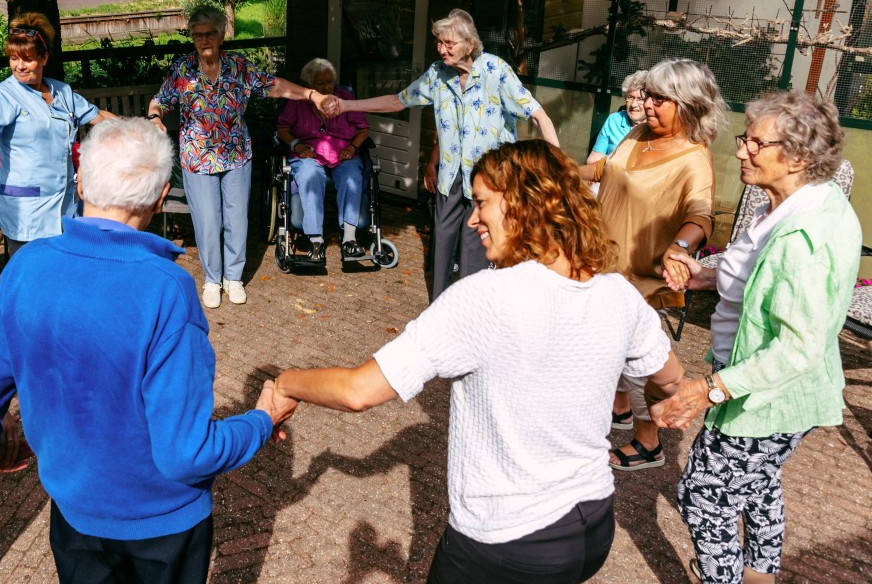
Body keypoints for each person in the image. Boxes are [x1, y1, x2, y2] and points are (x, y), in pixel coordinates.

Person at [272, 140, 684, 584]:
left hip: (507, 542)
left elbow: (359, 392)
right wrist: (659, 402)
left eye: (482, 202)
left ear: (525, 201)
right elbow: (670, 379)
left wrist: (285, 383)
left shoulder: (487, 297)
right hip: (593, 525)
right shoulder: (617, 292)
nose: (472, 219)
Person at [0, 117, 295, 583]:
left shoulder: (25, 266)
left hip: (74, 515)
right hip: (164, 525)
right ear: (160, 197)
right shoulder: (166, 288)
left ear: (79, 181)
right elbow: (186, 453)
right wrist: (261, 420)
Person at [653, 91, 860, 584]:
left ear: (799, 157)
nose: (741, 150)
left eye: (755, 143)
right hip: (776, 392)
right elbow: (760, 273)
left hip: (767, 397)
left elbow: (797, 348)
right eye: (745, 138)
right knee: (758, 484)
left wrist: (707, 390)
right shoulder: (795, 204)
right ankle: (758, 576)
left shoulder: (804, 237)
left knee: (703, 497)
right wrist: (707, 275)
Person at [323, 8, 559, 300]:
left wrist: (558, 167)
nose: (441, 49)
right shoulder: (438, 74)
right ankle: (440, 307)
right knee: (443, 242)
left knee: (474, 249)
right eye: (439, 42)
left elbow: (538, 114)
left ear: (469, 44)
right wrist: (346, 106)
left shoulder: (495, 71)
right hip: (450, 176)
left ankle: (469, 312)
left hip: (490, 179)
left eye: (449, 43)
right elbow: (398, 101)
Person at [579, 57, 727, 472]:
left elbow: (700, 215)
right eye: (648, 94)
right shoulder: (639, 132)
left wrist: (679, 248)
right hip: (603, 267)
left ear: (689, 104)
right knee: (607, 353)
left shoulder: (693, 157)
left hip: (642, 280)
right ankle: (618, 413)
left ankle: (649, 443)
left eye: (659, 98)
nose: (647, 104)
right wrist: (566, 171)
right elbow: (608, 168)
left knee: (640, 365)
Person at [147, 5, 336, 308]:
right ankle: (212, 279)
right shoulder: (183, 69)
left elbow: (275, 86)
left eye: (210, 33)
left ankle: (233, 278)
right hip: (197, 157)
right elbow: (160, 100)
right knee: (208, 221)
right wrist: (155, 117)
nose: (204, 40)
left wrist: (311, 94)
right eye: (197, 35)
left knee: (236, 218)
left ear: (221, 35)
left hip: (236, 154)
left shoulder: (238, 66)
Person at [0, 12, 116, 255]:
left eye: (27, 59)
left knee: (65, 271)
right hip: (26, 213)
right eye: (14, 58)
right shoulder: (3, 96)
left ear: (44, 58)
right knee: (30, 273)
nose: (19, 66)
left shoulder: (62, 92)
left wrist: (142, 129)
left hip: (65, 210)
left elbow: (98, 117)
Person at [276, 57, 369, 262]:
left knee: (352, 175)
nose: (327, 87)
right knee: (310, 174)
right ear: (310, 84)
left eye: (329, 82)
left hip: (343, 152)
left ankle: (349, 240)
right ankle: (316, 241)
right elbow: (282, 129)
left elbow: (363, 129)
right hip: (308, 153)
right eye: (320, 83)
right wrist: (297, 146)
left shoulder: (345, 98)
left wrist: (352, 147)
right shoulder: (298, 101)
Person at [585, 70, 647, 165]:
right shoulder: (614, 120)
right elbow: (593, 159)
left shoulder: (656, 126)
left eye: (640, 99)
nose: (633, 104)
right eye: (630, 97)